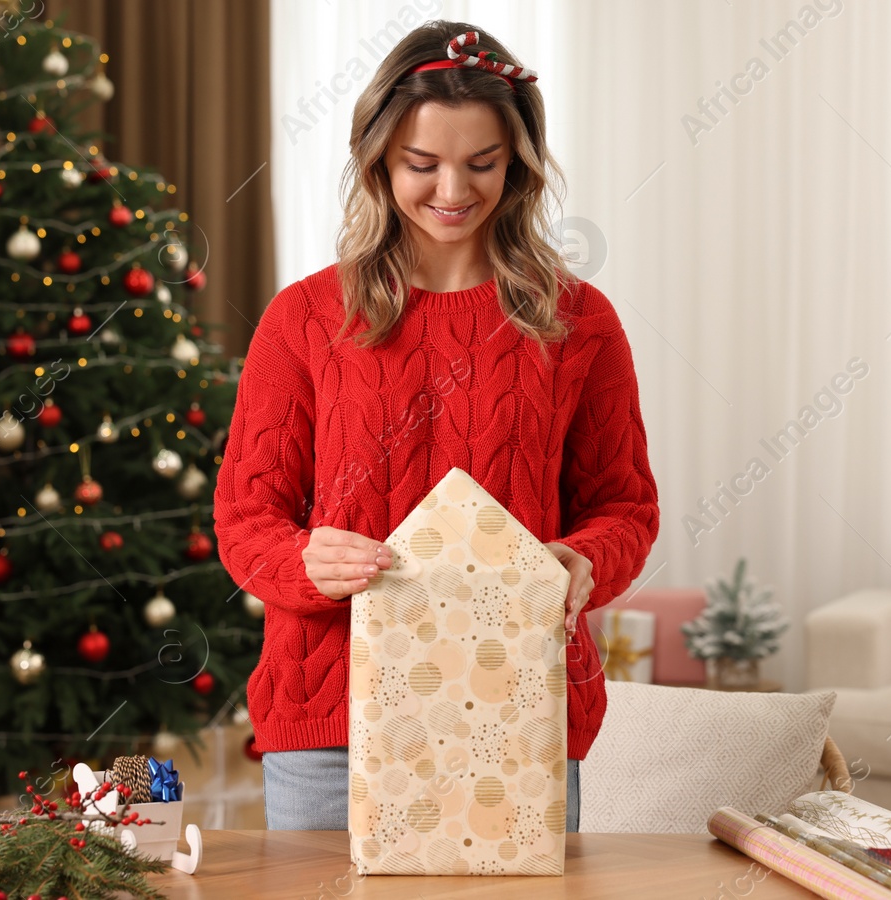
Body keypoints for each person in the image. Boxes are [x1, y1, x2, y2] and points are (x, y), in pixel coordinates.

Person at [213, 21, 660, 834]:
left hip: (517, 712)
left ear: (519, 166)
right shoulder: (304, 319)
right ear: (379, 160)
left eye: (482, 164)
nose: (452, 189)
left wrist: (582, 559)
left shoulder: (578, 324)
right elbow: (246, 523)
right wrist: (304, 559)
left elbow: (626, 508)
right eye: (422, 164)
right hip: (330, 722)